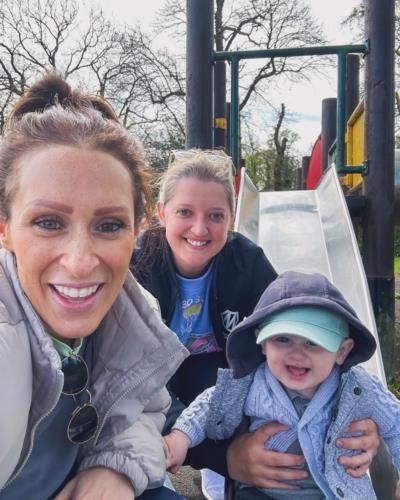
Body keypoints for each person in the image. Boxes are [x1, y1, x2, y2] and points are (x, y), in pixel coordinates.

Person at [131, 151, 381, 498]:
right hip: (148, 379)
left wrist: (352, 412)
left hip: (214, 375)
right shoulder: (138, 268)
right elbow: (132, 376)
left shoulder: (247, 263)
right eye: (184, 212)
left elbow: (292, 335)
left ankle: (222, 475)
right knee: (151, 413)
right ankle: (177, 465)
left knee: (235, 382)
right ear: (161, 213)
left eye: (215, 216)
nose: (200, 229)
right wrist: (217, 455)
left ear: (231, 218)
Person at [0, 73, 189, 500]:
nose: (81, 261)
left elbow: (143, 409)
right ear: (5, 230)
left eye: (109, 225)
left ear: (137, 230)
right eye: (49, 223)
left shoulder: (134, 312)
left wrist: (115, 468)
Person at [164, 271, 400, 500]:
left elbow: (396, 423)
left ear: (342, 350)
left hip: (337, 492)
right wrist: (180, 437)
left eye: (313, 342)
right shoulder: (251, 381)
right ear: (263, 343)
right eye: (283, 339)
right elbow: (208, 405)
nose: (297, 353)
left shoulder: (358, 389)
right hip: (261, 492)